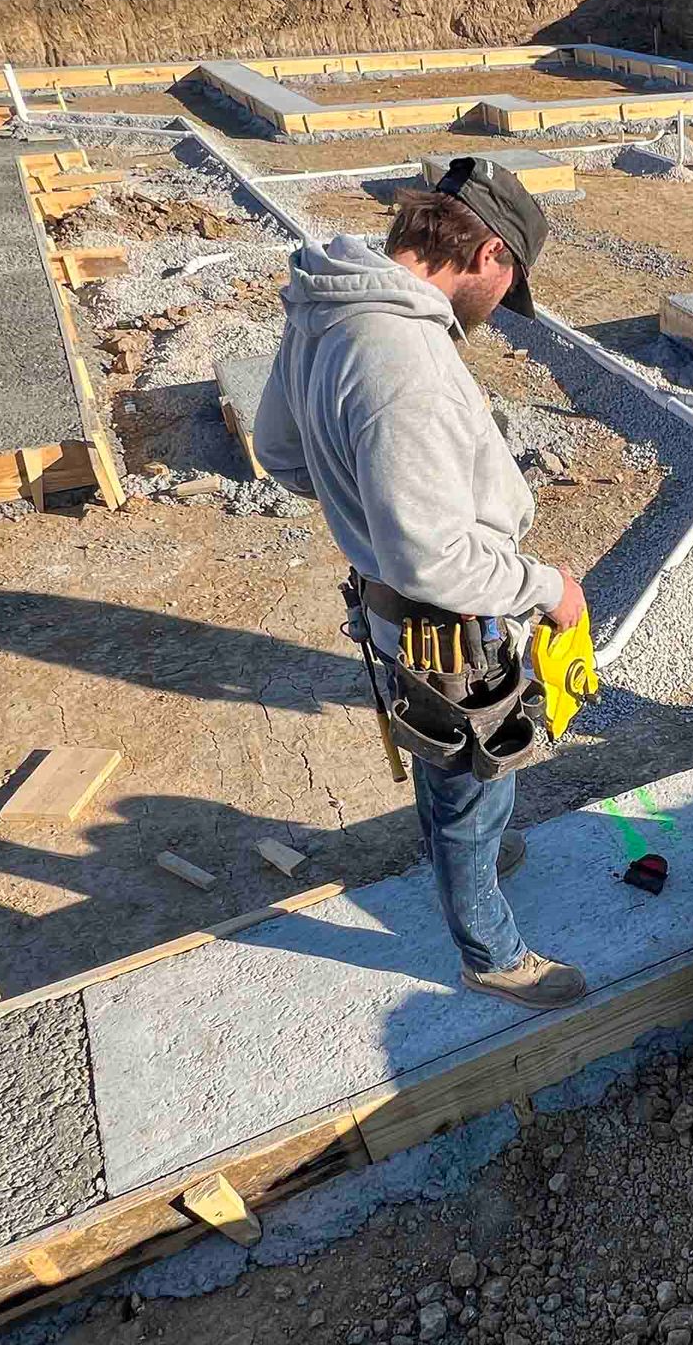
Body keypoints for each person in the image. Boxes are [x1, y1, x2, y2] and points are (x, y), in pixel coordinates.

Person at [254, 156, 589, 1010]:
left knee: (450, 769)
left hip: (388, 604)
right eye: (504, 289)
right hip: (446, 617)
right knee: (477, 774)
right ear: (487, 258)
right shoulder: (406, 359)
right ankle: (492, 953)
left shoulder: (326, 304)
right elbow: (433, 557)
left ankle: (466, 857)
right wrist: (548, 587)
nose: (492, 317)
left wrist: (362, 503)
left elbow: (283, 454)